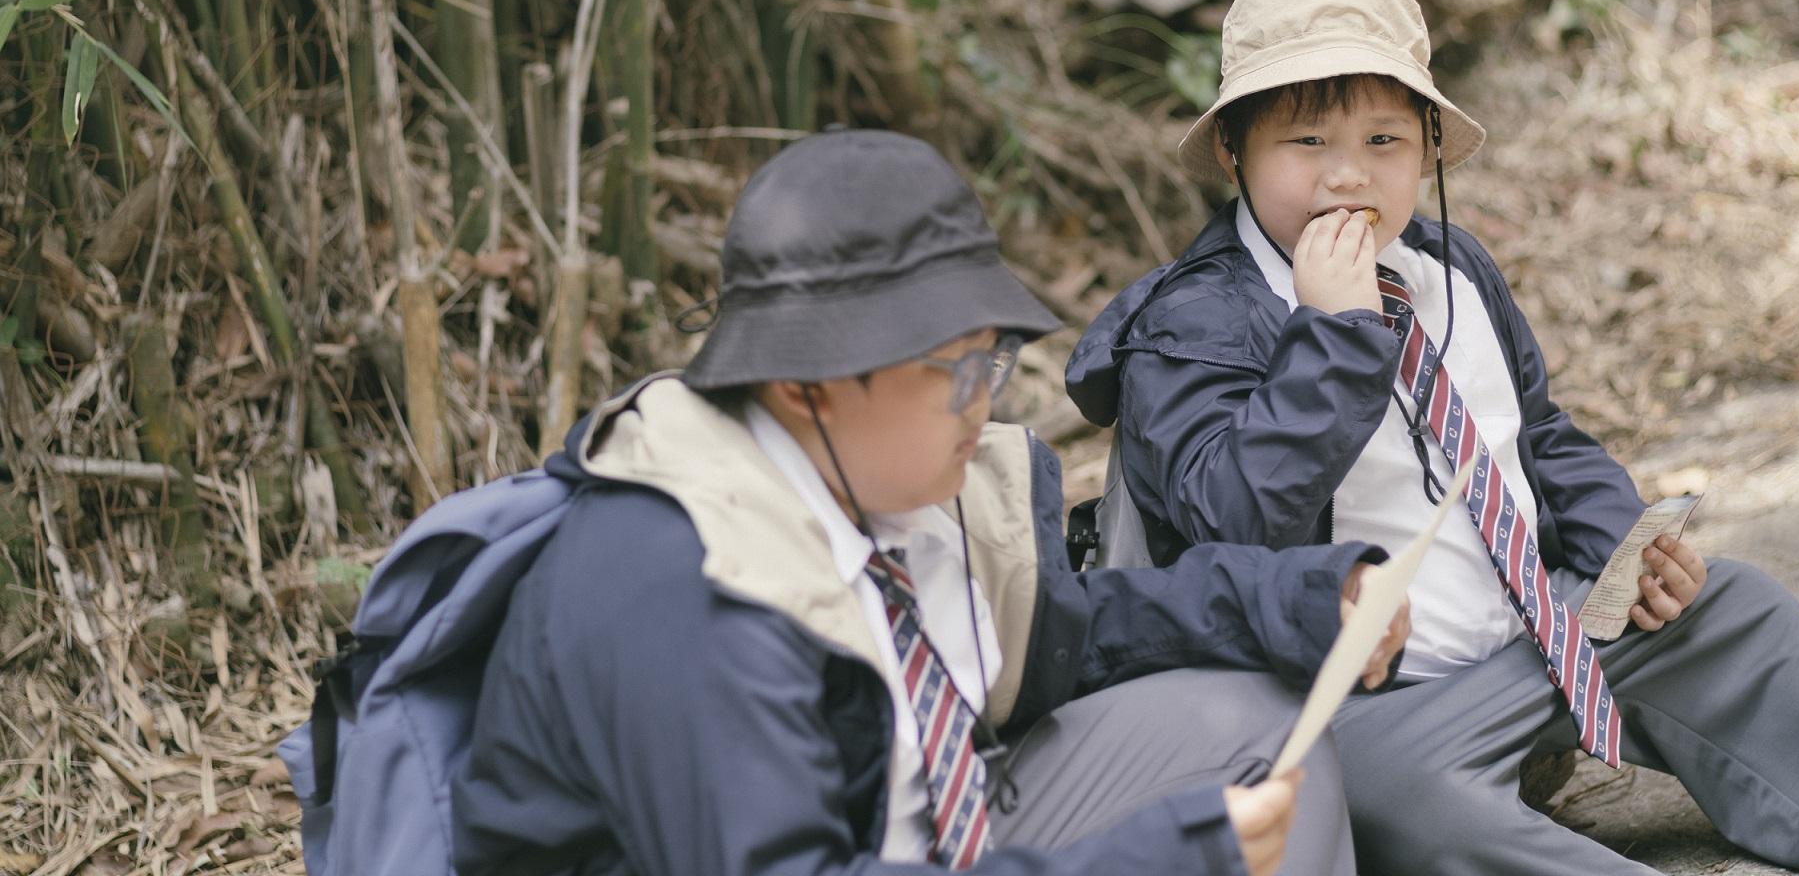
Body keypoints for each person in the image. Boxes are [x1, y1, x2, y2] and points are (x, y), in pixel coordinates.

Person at [449, 128, 1409, 876]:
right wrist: (1155, 859)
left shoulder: (880, 482)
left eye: (991, 360)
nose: (982, 402)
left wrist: (1297, 598)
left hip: (927, 827)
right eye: (953, 371)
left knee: (1259, 721)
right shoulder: (685, 583)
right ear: (806, 386)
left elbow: (1063, 631)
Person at [1066, 0, 1799, 876]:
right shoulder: (1192, 324)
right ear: (1234, 150)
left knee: (1735, 609)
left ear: (1429, 147)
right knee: (1386, 795)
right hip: (1370, 702)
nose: (1346, 176)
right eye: (1305, 142)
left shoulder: (1448, 266)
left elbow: (1533, 434)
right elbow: (1228, 523)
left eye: (1383, 140)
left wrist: (1620, 545)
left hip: (1531, 631)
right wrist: (1334, 336)